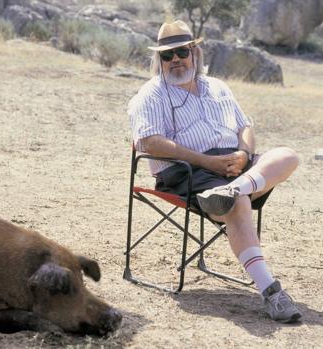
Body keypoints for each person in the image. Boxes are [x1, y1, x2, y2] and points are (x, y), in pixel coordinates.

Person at [128, 20, 302, 323]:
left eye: (181, 52)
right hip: (187, 172)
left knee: (288, 156)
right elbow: (150, 141)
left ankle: (234, 189)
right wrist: (206, 162)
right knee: (239, 204)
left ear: (195, 52)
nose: (175, 61)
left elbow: (244, 125)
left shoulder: (218, 87)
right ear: (159, 60)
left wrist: (243, 153)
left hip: (235, 168)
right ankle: (271, 292)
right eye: (167, 56)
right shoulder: (151, 94)